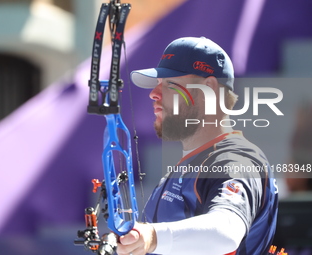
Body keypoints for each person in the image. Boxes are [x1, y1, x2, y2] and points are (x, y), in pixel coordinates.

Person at [117, 37, 278, 255]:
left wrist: (152, 237)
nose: (153, 94)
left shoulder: (237, 160)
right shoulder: (192, 164)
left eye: (169, 84)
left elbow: (227, 231)